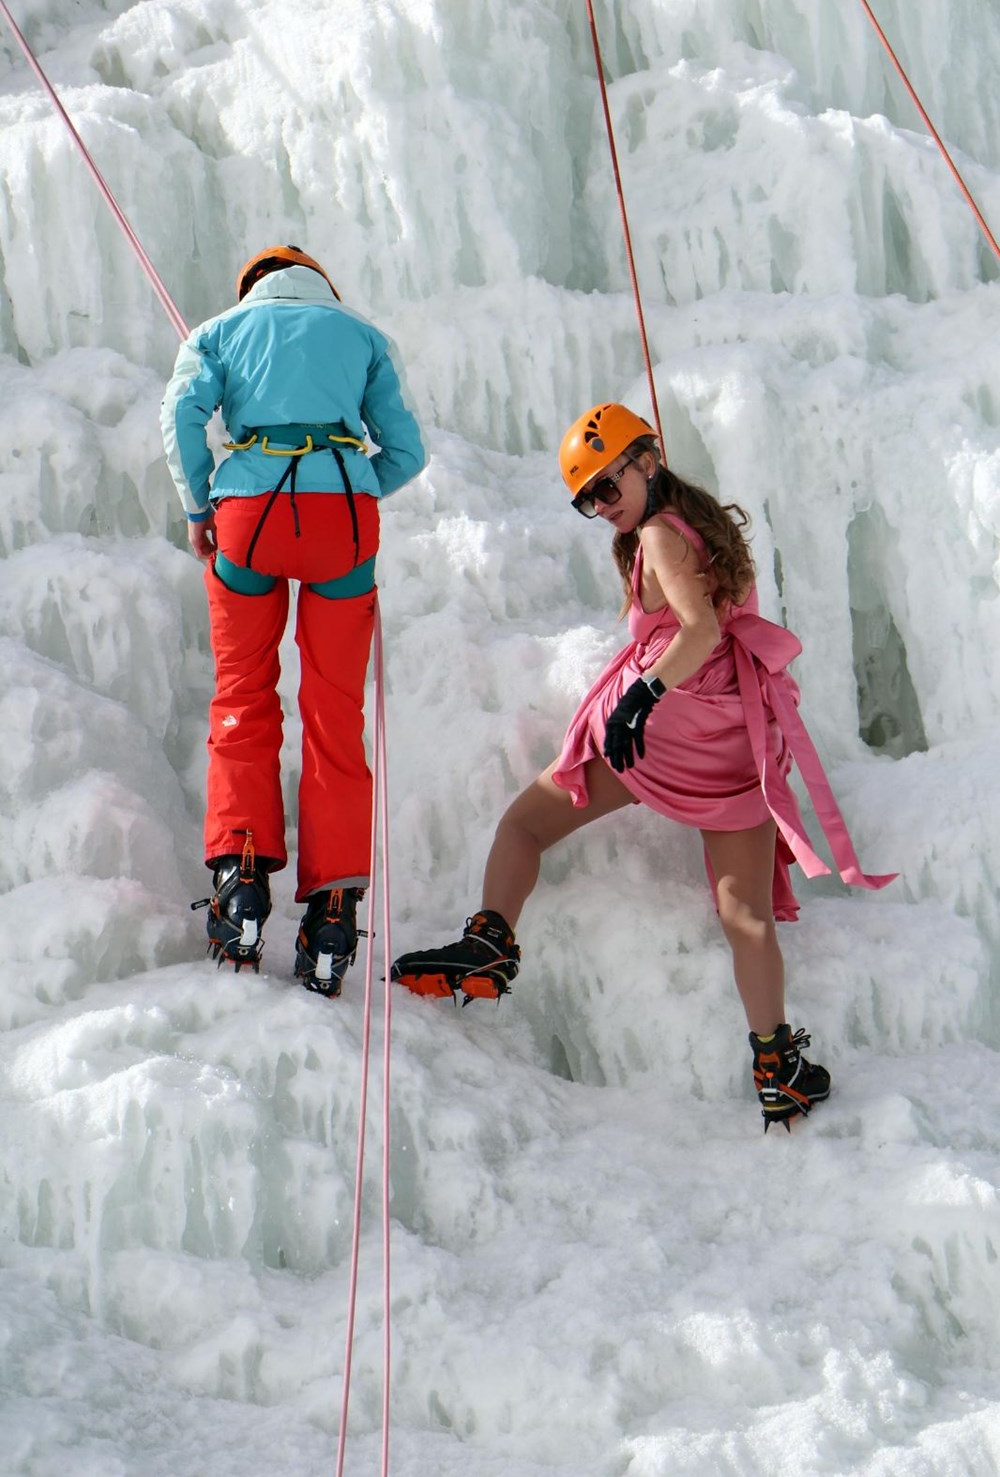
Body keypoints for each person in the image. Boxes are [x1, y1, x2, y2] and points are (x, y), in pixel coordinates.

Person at [390, 402, 894, 1130]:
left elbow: (701, 628)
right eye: (588, 497)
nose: (602, 503)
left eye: (606, 483)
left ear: (647, 459)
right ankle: (777, 1065)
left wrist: (639, 698)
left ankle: (490, 944)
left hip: (667, 734)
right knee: (744, 915)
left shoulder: (657, 533)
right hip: (732, 741)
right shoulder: (696, 522)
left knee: (524, 824)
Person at [161, 244, 426, 996]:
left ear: (252, 287)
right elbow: (408, 449)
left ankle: (240, 885)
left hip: (249, 513)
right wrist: (351, 481)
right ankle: (334, 911)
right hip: (343, 518)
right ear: (321, 287)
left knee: (243, 693)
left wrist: (199, 505)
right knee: (334, 712)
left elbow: (179, 411)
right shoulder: (363, 336)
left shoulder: (217, 331)